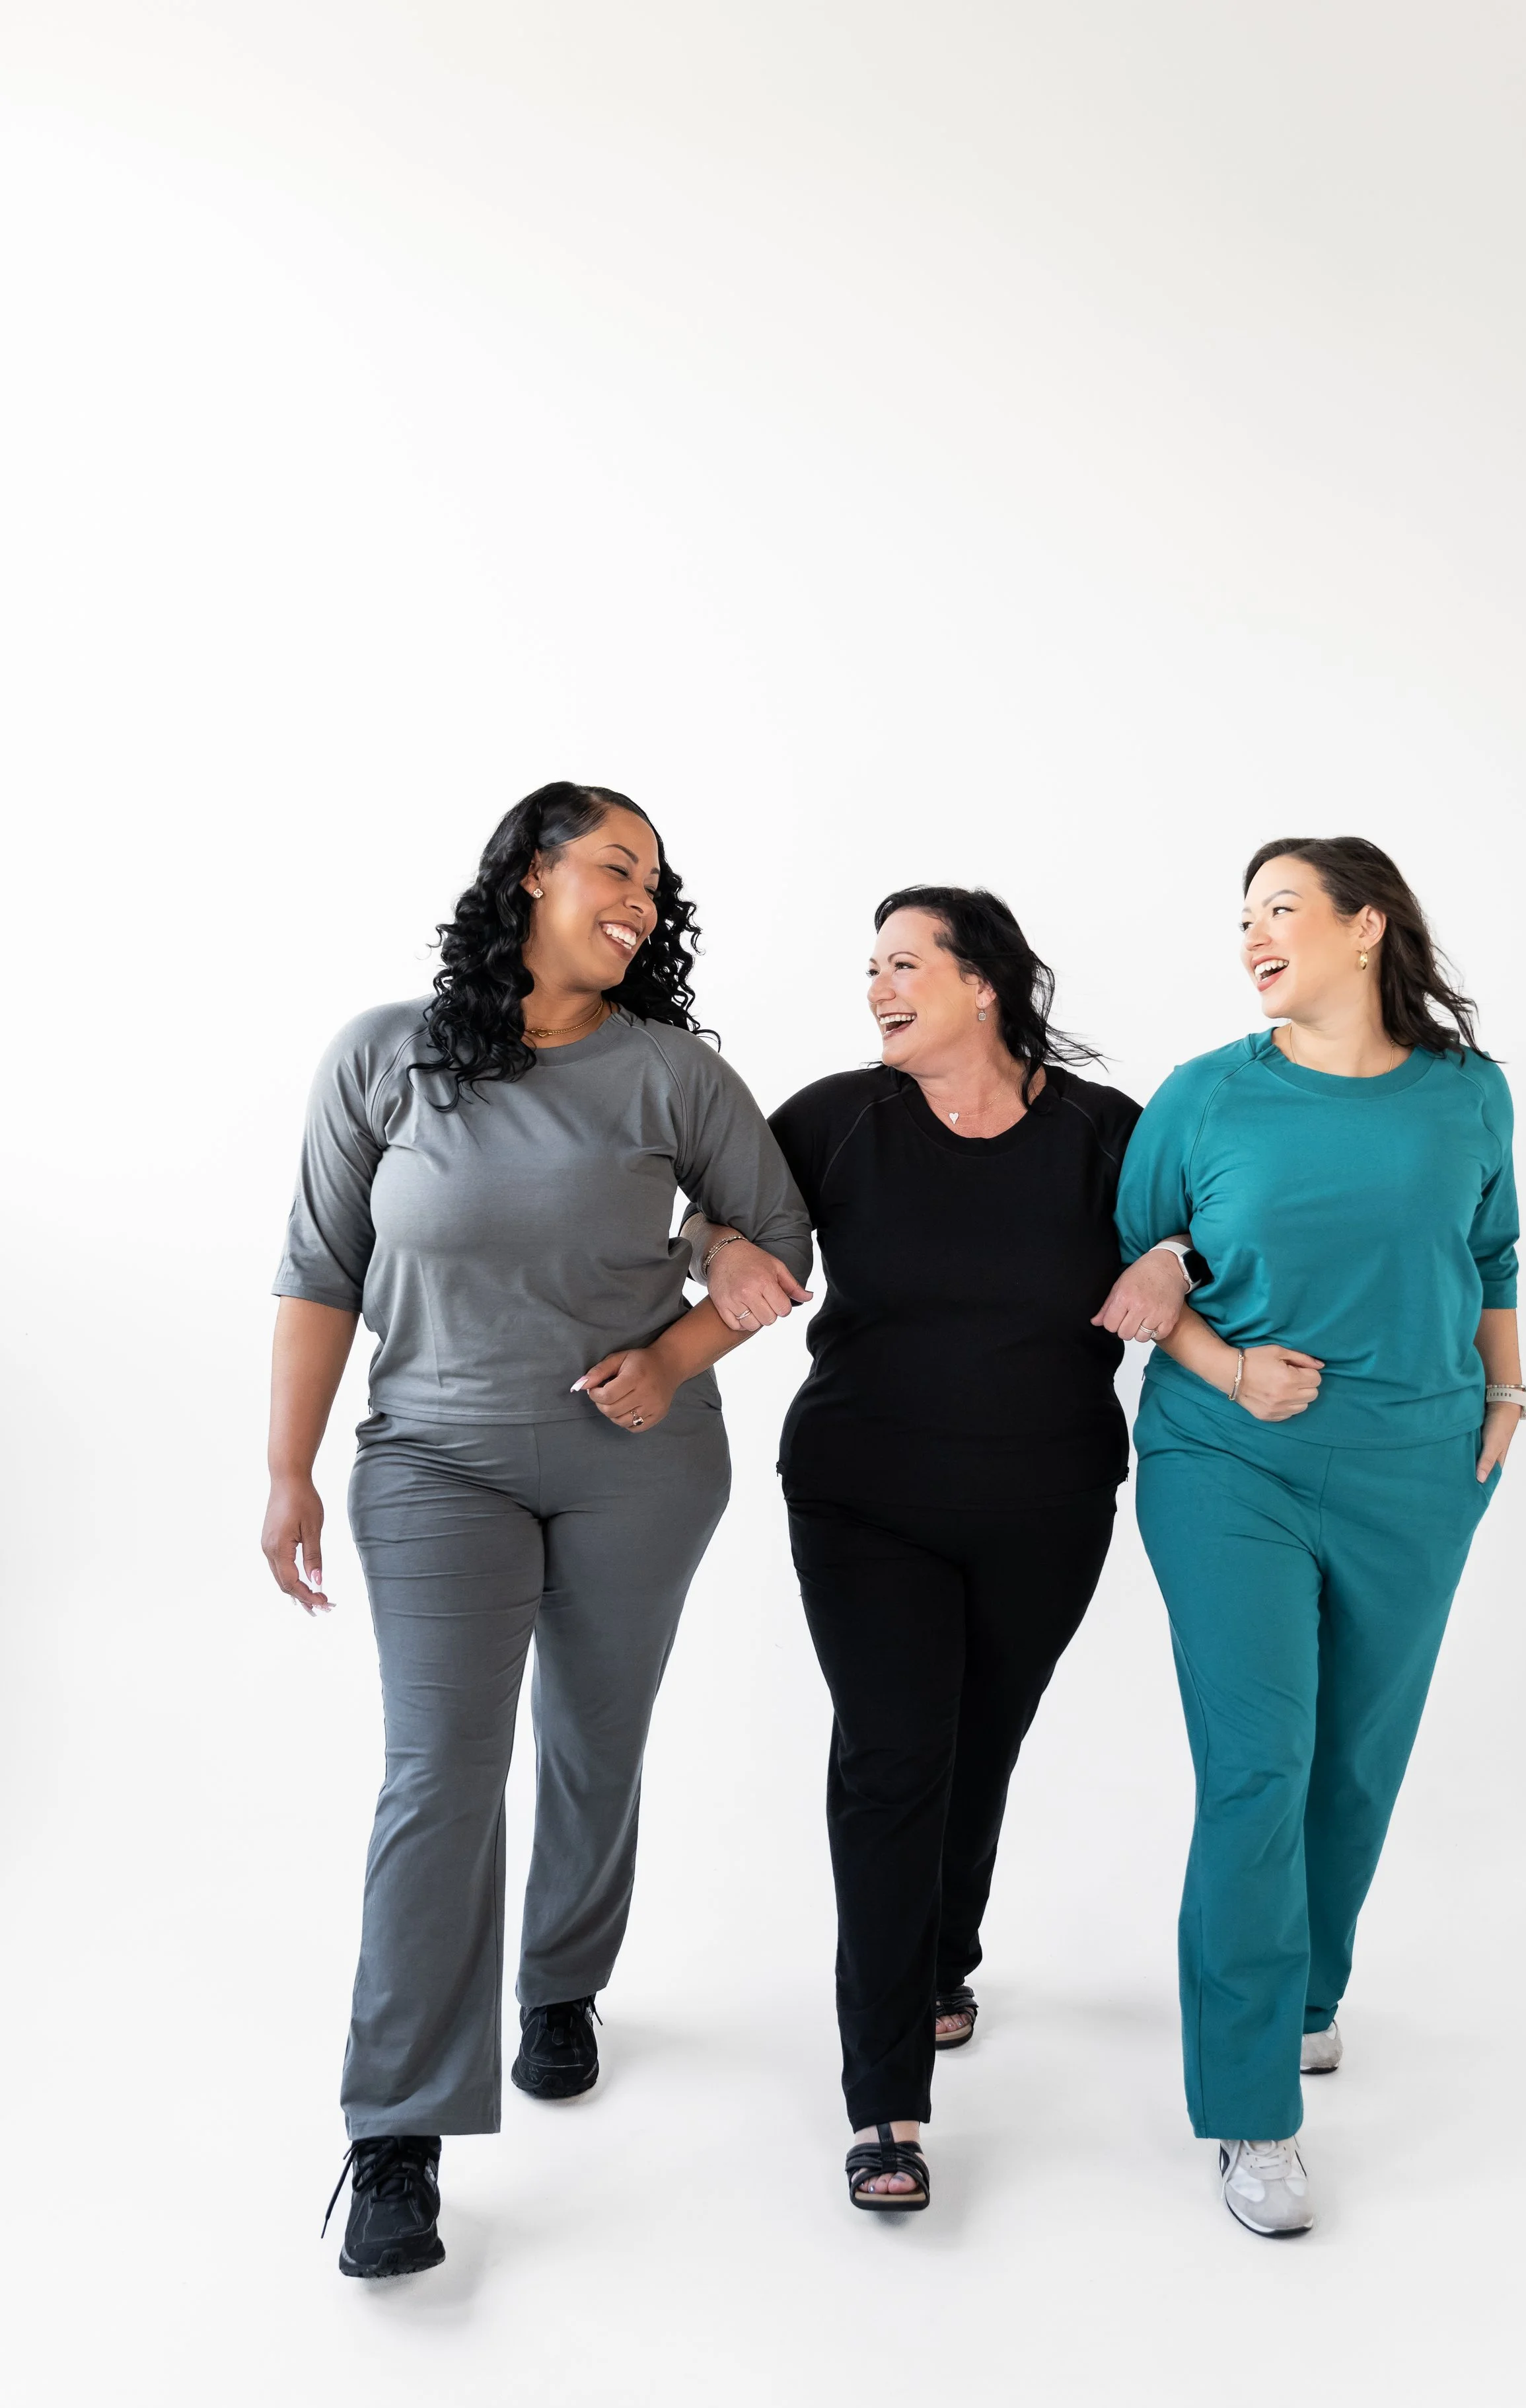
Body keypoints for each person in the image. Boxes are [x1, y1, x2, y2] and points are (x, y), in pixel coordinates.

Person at [262, 782, 811, 2278]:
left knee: (592, 1736)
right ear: (527, 877)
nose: (641, 897)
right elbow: (320, 1264)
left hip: (636, 1465)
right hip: (431, 1459)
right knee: (440, 1773)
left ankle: (558, 1984)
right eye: (613, 866)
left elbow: (779, 1249)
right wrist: (287, 1468)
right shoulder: (386, 1055)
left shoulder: (673, 1074)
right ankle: (393, 2135)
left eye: (656, 881)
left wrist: (677, 1353)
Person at [689, 888, 1191, 2210]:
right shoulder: (835, 1117)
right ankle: (885, 2108)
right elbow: (706, 1205)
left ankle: (943, 1955)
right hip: (864, 1494)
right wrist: (724, 1241)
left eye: (903, 964)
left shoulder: (1103, 1129)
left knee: (980, 1743)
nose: (874, 988)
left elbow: (1202, 1221)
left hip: (1048, 1499)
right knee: (895, 1754)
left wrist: (1179, 1260)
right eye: (870, 967)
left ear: (984, 983)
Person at [1115, 836, 1526, 2238]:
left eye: (1278, 910)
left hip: (1419, 1463)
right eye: (1241, 920)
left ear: (1366, 928)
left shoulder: (1469, 1096)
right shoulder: (1202, 1096)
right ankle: (1247, 2112)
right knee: (1258, 1765)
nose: (1250, 937)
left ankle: (1301, 1995)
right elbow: (1124, 1275)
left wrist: (1509, 1391)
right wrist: (1228, 1369)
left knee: (1354, 1754)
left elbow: (1491, 1257)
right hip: (1226, 1458)